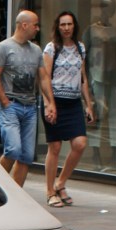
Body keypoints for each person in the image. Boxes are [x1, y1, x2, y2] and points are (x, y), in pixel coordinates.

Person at [41, 11, 95, 207]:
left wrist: (88, 104)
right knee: (54, 147)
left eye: (69, 24)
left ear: (74, 26)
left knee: (80, 143)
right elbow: (44, 77)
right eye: (62, 24)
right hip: (54, 100)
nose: (66, 28)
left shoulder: (80, 48)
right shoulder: (51, 48)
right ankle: (50, 192)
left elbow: (83, 79)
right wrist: (50, 104)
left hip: (73, 103)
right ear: (58, 26)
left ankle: (60, 182)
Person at [0, 10, 43, 186]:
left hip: (30, 106)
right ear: (24, 25)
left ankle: (15, 194)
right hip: (11, 105)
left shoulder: (36, 50)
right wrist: (5, 102)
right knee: (13, 150)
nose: (37, 28)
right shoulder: (3, 48)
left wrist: (49, 102)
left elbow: (44, 78)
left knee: (26, 156)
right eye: (35, 25)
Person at [86, 0, 116, 171]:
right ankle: (96, 153)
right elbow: (83, 57)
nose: (109, 10)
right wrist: (85, 81)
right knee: (97, 116)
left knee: (115, 115)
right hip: (96, 76)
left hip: (114, 77)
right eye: (106, 6)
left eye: (112, 8)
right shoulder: (91, 30)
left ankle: (115, 154)